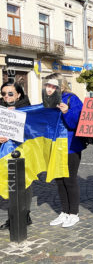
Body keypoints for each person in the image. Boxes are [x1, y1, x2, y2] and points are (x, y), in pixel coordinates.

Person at [43, 74, 85, 228]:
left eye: (53, 85)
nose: (49, 88)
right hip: (54, 146)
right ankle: (64, 211)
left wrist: (67, 112)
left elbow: (79, 122)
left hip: (70, 146)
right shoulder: (47, 101)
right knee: (59, 180)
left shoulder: (71, 99)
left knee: (70, 180)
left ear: (62, 85)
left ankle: (74, 213)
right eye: (47, 85)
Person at [0, 82, 32, 230]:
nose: (6, 96)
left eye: (10, 93)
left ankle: (24, 215)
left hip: (22, 150)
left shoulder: (28, 108)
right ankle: (12, 216)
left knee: (24, 183)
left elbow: (32, 130)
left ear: (19, 94)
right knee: (8, 183)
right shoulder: (1, 109)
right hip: (4, 152)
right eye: (4, 94)